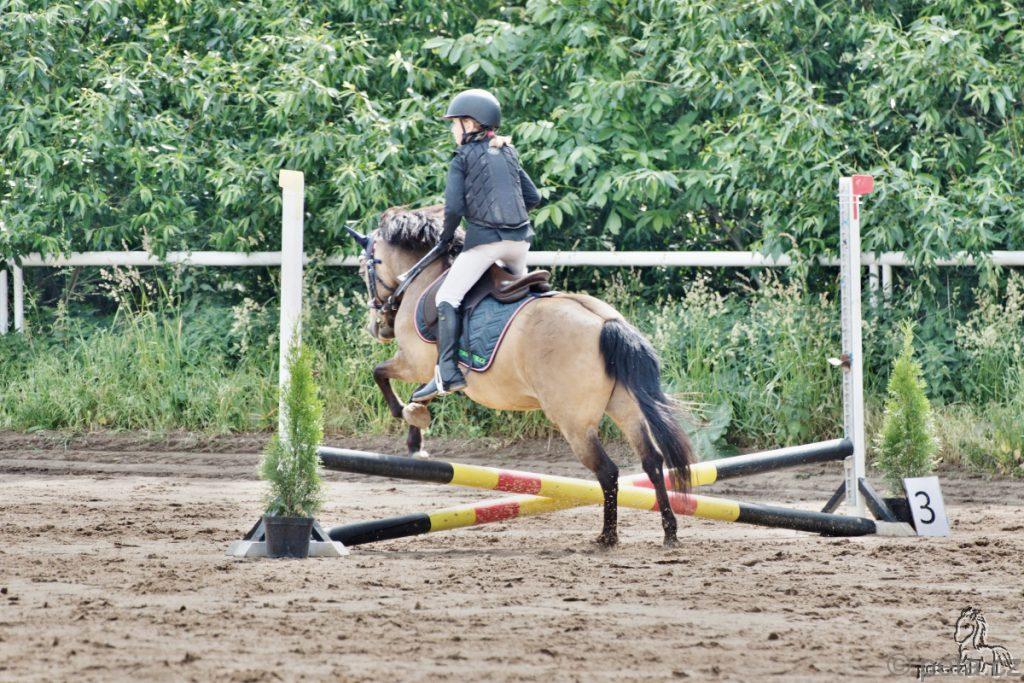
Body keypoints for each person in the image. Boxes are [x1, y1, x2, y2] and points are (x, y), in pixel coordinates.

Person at [411, 88, 541, 403]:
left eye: (454, 124)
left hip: (486, 243)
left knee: (448, 297)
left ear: (469, 124)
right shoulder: (508, 152)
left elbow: (454, 207)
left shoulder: (463, 157)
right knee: (518, 296)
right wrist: (508, 216)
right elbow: (533, 197)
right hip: (520, 243)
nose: (452, 131)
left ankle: (447, 373)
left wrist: (446, 238)